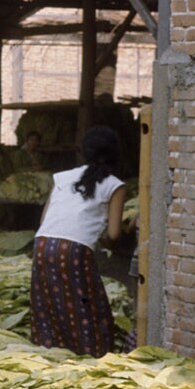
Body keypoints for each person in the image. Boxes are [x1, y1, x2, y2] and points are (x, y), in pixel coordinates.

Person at [28, 125, 126, 357]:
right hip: (73, 249)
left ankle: (51, 354)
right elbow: (114, 234)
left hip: (43, 243)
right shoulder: (115, 185)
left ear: (83, 151)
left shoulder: (62, 177)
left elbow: (44, 219)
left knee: (49, 304)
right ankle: (92, 355)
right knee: (88, 306)